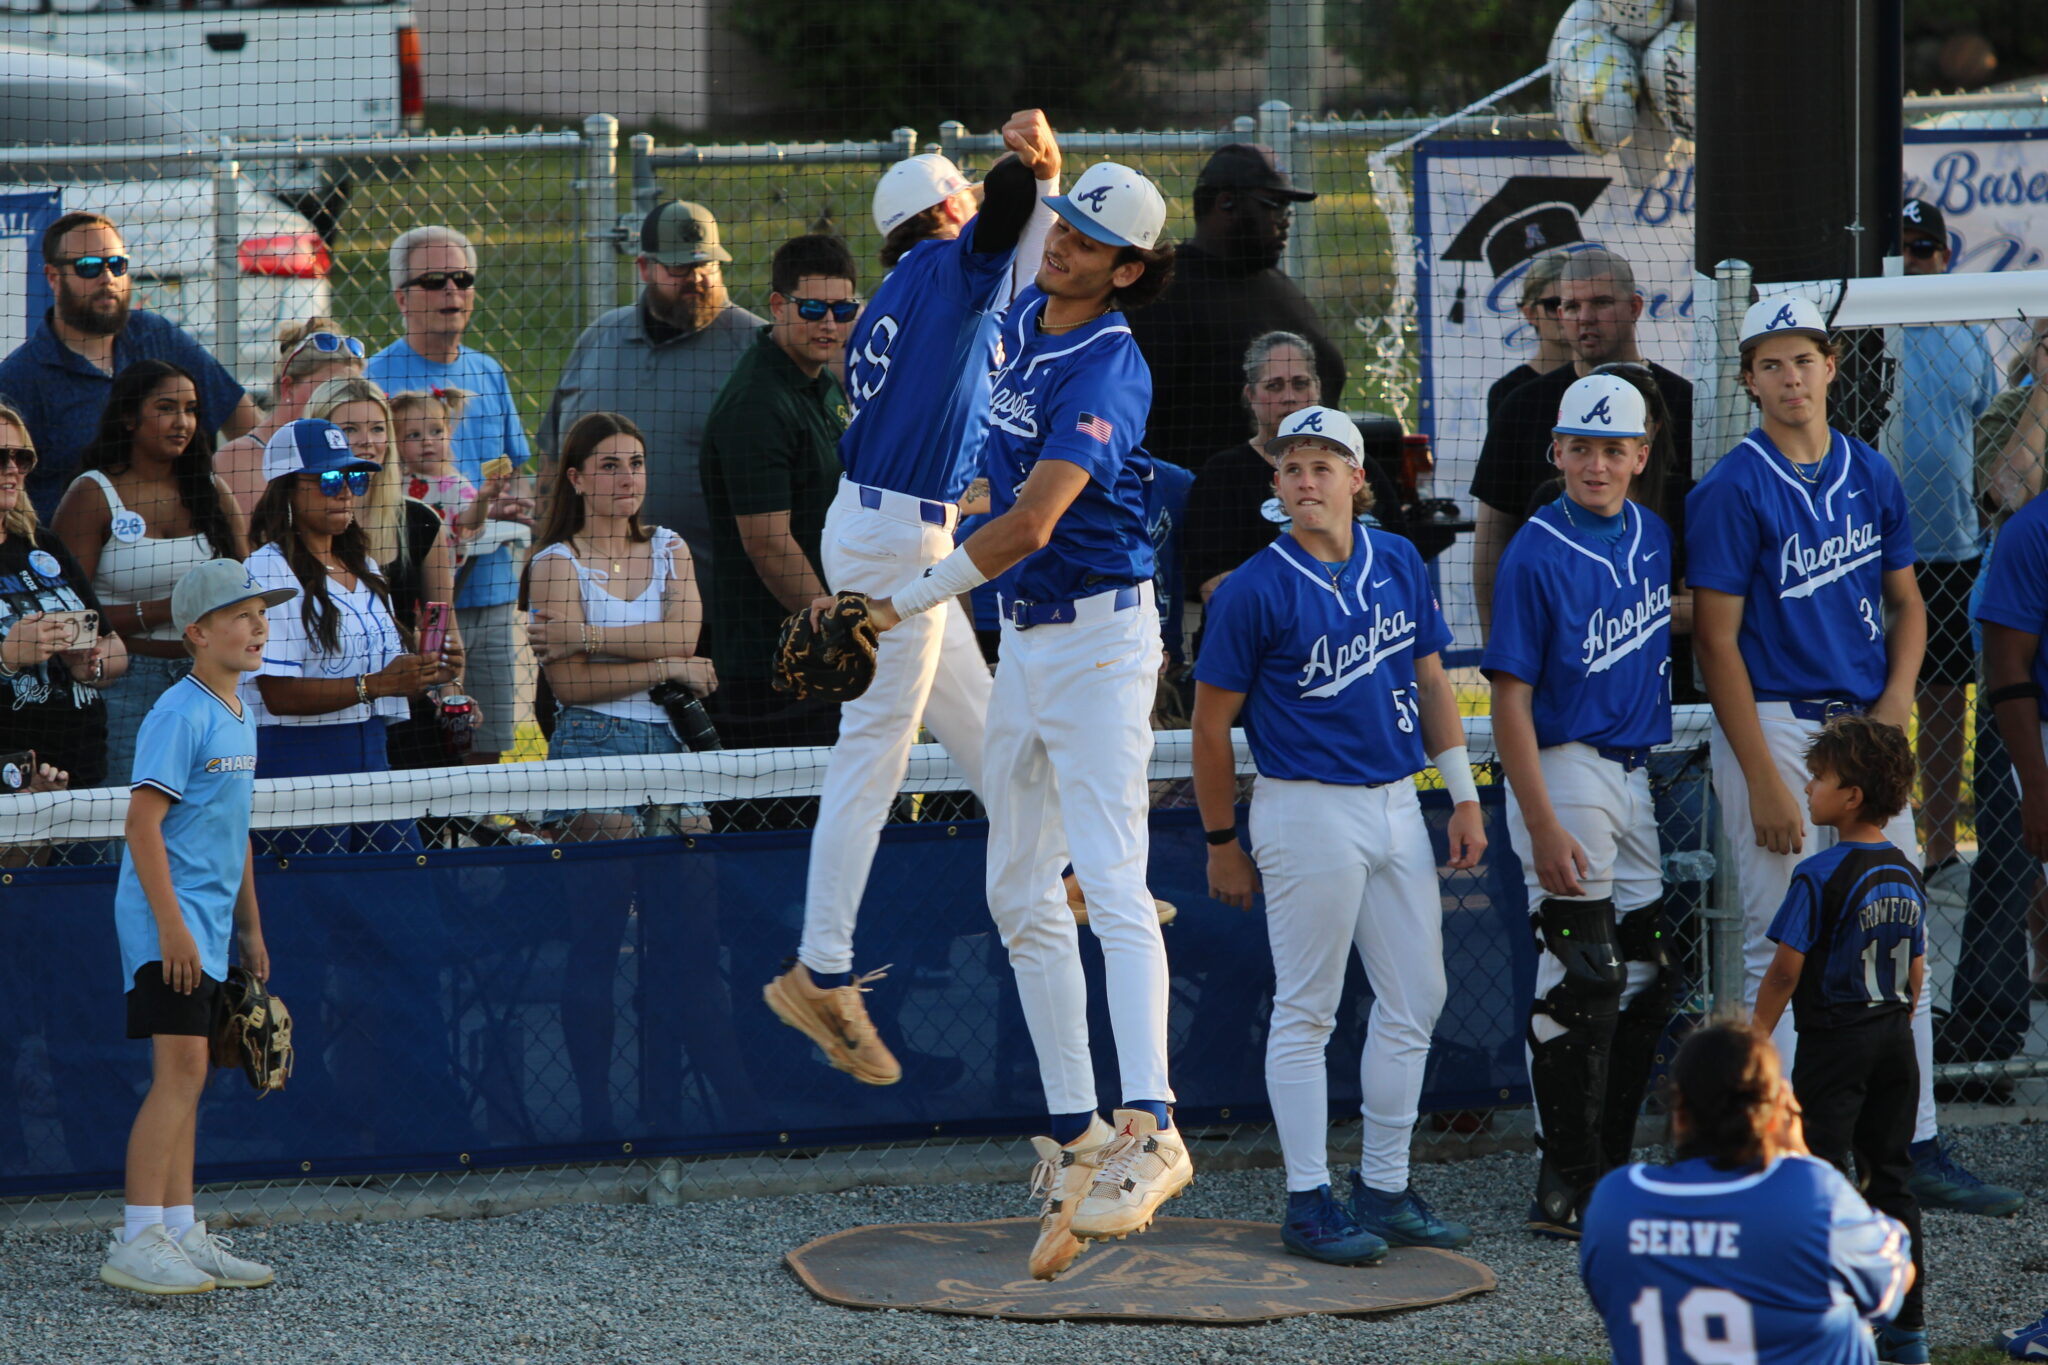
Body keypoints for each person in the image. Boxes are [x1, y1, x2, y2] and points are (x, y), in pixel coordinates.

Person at [847, 162, 1181, 1280]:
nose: (1063, 246)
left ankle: (1155, 1125)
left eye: (1091, 242)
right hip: (1031, 641)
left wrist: (895, 601)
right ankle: (1083, 1132)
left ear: (1128, 269)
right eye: (1065, 225)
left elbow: (1034, 522)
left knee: (1116, 879)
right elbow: (998, 486)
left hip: (1097, 640)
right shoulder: (1026, 313)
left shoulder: (1111, 360)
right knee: (1014, 890)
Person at [1687, 295, 2019, 1218]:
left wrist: (1894, 708)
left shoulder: (1870, 470)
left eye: (1804, 360)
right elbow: (1717, 642)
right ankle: (1783, 1149)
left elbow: (1908, 604)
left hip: (1865, 727)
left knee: (1893, 934)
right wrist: (1760, 772)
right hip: (1779, 725)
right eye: (1771, 364)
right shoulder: (1731, 486)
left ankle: (1908, 1144)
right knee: (1780, 943)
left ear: (1833, 366)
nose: (1791, 379)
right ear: (1749, 377)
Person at [763, 109, 1061, 1086]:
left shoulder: (903, 291)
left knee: (982, 725)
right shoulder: (942, 266)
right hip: (897, 538)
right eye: (963, 202)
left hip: (890, 524)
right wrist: (1020, 168)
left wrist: (1034, 177)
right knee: (872, 755)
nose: (978, 210)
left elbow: (1020, 257)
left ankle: (1059, 878)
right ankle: (822, 969)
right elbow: (1007, 221)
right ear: (942, 210)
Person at [1191, 405, 1484, 1264]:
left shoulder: (1396, 557)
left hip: (1397, 800)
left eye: (1324, 463)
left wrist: (1462, 795)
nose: (1306, 477)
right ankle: (1308, 1198)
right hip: (1306, 807)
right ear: (1276, 486)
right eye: (1292, 466)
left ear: (1360, 479)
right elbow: (1211, 731)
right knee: (1307, 1009)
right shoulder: (1253, 586)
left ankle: (1384, 1187)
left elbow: (1432, 682)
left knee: (1417, 997)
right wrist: (1219, 840)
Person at [1483, 374, 1675, 1240]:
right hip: (1564, 769)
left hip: (1634, 771)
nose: (1597, 463)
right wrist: (1541, 819)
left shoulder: (1654, 535)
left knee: (1643, 972)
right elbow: (1509, 701)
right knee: (1581, 976)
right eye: (1581, 447)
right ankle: (1565, 1181)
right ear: (1555, 451)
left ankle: (1607, 1163)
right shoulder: (1535, 547)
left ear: (1640, 456)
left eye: (1614, 448)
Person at [101, 557, 294, 1296]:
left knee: (194, 1074)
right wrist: (174, 930)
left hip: (209, 927)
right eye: (242, 614)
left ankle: (179, 1228)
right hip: (167, 927)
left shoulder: (239, 711)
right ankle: (138, 1235)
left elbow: (234, 829)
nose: (258, 625)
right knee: (177, 1073)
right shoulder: (180, 711)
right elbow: (142, 826)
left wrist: (249, 928)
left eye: (262, 613)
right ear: (197, 632)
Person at [1580, 1019, 1917, 1365]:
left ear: (1678, 1113)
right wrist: (1799, 1153)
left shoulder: (1616, 1200)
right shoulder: (1813, 1195)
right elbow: (1892, 1281)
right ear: (1778, 1111)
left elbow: (1610, 1299)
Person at [1751, 715, 1930, 1364]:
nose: (1807, 785)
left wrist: (1755, 1038)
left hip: (1836, 1039)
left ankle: (1826, 1328)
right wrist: (1894, 1028)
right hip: (1893, 1040)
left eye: (1820, 776)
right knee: (1892, 1178)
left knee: (1821, 1181)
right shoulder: (1906, 869)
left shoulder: (1819, 872)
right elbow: (1916, 968)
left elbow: (1785, 968)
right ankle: (1909, 1329)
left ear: (1850, 795)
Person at [365, 225, 533, 766]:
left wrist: (508, 503)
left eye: (462, 279)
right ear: (401, 297)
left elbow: (517, 472)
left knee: (486, 746)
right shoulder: (374, 380)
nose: (452, 293)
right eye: (434, 281)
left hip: (488, 593)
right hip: (408, 606)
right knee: (423, 748)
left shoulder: (488, 371)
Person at [242, 419, 447, 853]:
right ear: (288, 490)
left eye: (354, 477)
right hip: (297, 767)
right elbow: (277, 694)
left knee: (404, 896)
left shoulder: (365, 566)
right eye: (330, 478)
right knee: (315, 902)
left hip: (373, 757)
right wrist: (377, 685)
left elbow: (386, 683)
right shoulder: (266, 569)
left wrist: (419, 673)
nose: (346, 491)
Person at [1472, 246, 1692, 636]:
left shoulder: (1683, 402)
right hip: (1562, 641)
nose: (1585, 318)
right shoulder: (1522, 405)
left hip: (1672, 649)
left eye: (1602, 302)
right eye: (1571, 306)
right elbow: (1493, 539)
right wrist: (1497, 649)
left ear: (1635, 307)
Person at [539, 200, 765, 575]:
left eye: (706, 264)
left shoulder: (757, 349)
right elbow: (553, 460)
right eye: (679, 266)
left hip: (718, 600)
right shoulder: (601, 338)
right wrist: (540, 554)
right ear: (644, 267)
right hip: (593, 593)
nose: (696, 278)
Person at [53, 360, 247, 787]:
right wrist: (168, 609)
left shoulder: (210, 490)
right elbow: (69, 613)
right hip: (124, 682)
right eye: (166, 408)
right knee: (127, 809)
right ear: (128, 417)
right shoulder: (92, 493)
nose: (183, 422)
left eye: (192, 409)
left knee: (205, 809)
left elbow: (243, 585)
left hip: (206, 678)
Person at [698, 233, 857, 754]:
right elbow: (768, 544)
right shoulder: (758, 404)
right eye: (812, 309)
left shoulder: (819, 382)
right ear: (777, 305)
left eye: (842, 308)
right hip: (774, 667)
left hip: (813, 647)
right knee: (783, 823)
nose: (829, 324)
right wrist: (836, 636)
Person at [525, 412, 716, 837]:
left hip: (671, 737)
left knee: (695, 851)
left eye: (636, 463)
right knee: (610, 855)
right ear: (577, 479)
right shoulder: (556, 564)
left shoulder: (670, 547)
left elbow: (683, 638)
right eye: (610, 466)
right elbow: (572, 686)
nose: (628, 478)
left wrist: (585, 637)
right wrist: (666, 667)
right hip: (593, 737)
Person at [0, 212, 258, 522]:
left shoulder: (158, 337)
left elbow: (248, 427)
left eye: (117, 265)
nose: (106, 278)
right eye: (88, 267)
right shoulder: (20, 379)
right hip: (75, 556)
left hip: (183, 541)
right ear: (54, 277)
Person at [1125, 143, 1343, 473]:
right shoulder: (1163, 293)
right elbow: (1135, 422)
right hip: (1213, 508)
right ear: (1226, 202)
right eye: (1276, 206)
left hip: (1307, 497)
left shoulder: (1278, 285)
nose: (1285, 222)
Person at [1898, 199, 2000, 889]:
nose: (1917, 261)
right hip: (1870, 550)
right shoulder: (1865, 326)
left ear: (1946, 255)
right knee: (1864, 700)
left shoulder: (1970, 328)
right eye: (1905, 247)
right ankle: (1877, 836)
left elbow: (1990, 427)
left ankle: (1936, 846)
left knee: (1941, 705)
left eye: (1927, 248)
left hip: (1953, 550)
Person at [1182, 331, 1410, 625]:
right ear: (1251, 396)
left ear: (1317, 388)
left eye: (1300, 384)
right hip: (1271, 648)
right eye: (1274, 386)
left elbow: (1401, 569)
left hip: (1369, 641)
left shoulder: (1361, 466)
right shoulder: (1223, 475)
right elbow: (1217, 590)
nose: (1289, 397)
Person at [308, 380, 470, 773]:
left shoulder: (421, 522)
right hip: (325, 713)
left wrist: (452, 691)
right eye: (350, 430)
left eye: (377, 428)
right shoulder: (301, 529)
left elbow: (445, 633)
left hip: (408, 718)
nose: (367, 441)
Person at [0, 403, 128, 793]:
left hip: (82, 767)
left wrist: (92, 665)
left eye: (21, 457)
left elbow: (114, 644)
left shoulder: (43, 544)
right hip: (12, 775)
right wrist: (7, 657)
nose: (13, 469)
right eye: (0, 457)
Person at [215, 320, 366, 517]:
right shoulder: (238, 460)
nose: (340, 402)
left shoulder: (348, 451)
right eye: (327, 389)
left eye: (348, 392)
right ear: (288, 387)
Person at [1488, 249, 1574, 423]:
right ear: (1530, 313)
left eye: (1573, 305)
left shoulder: (1606, 380)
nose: (1563, 313)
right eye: (1554, 304)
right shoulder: (1508, 391)